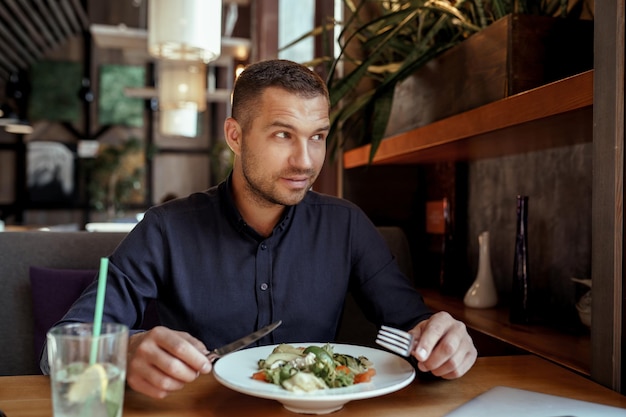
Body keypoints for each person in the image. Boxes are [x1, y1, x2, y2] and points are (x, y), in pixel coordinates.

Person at [42, 59, 477, 398]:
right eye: (283, 135)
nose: (306, 161)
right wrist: (124, 352)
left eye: (318, 136)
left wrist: (442, 341)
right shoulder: (166, 228)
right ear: (235, 135)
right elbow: (57, 349)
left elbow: (413, 328)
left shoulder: (346, 225)